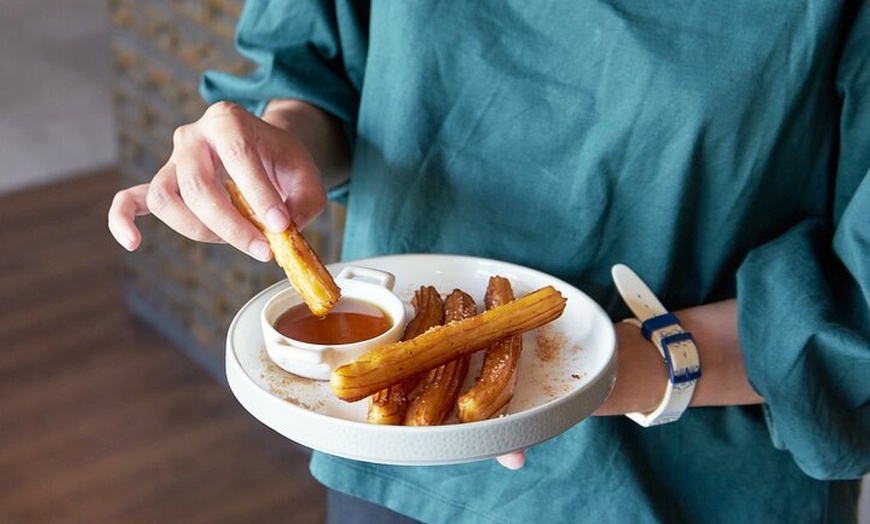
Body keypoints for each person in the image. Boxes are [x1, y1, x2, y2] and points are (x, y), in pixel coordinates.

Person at [108, 2, 870, 523]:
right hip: (400, 460)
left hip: (685, 485)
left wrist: (580, 373)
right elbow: (317, 58)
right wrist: (282, 144)